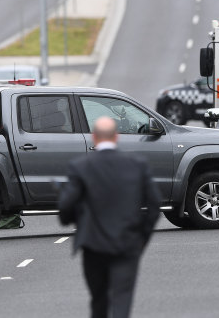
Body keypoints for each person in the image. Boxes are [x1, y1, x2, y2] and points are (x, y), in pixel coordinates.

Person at [58, 116, 161, 318]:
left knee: (99, 298)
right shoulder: (137, 164)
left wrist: (72, 219)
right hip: (127, 242)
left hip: (93, 245)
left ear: (94, 137)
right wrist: (142, 236)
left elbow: (66, 205)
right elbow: (154, 205)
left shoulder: (80, 166)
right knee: (122, 296)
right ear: (116, 137)